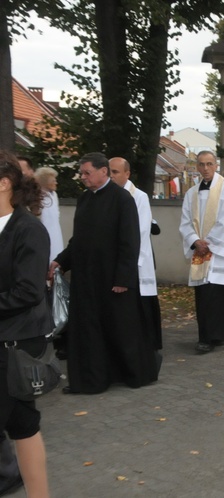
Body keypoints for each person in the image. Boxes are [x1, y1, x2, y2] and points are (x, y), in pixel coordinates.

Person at [49, 152, 159, 393]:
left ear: (103, 172)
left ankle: (132, 373)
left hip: (112, 278)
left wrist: (123, 278)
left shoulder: (122, 199)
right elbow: (79, 239)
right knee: (88, 330)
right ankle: (91, 379)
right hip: (87, 278)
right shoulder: (84, 199)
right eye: (82, 173)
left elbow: (130, 241)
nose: (83, 178)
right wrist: (61, 261)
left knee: (120, 330)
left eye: (87, 173)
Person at [0, 151, 51, 497]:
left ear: (4, 184)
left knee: (21, 424)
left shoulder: (29, 229)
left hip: (16, 343)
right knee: (20, 424)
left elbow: (29, 291)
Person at [179, 151, 224, 353]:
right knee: (203, 295)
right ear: (197, 167)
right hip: (200, 250)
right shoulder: (191, 193)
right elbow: (186, 222)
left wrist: (210, 243)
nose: (205, 168)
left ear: (216, 165)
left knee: (218, 294)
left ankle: (219, 335)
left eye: (209, 164)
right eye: (201, 164)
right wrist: (195, 240)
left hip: (219, 253)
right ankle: (205, 337)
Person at [109, 158, 163, 351]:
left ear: (127, 174)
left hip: (135, 257)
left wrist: (127, 258)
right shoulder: (107, 195)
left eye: (115, 172)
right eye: (109, 172)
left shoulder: (138, 196)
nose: (112, 176)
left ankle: (147, 340)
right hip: (115, 258)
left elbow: (139, 230)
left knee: (142, 300)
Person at [33, 167, 64, 264]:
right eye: (53, 180)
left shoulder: (54, 194)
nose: (56, 183)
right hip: (43, 231)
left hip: (55, 231)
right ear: (45, 181)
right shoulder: (36, 196)